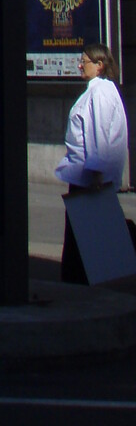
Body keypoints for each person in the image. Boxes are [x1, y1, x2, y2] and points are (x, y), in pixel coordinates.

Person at [56, 42, 129, 283]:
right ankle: (78, 278)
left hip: (87, 176)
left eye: (84, 61)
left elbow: (98, 133)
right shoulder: (101, 91)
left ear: (99, 65)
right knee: (85, 232)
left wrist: (96, 173)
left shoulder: (99, 93)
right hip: (86, 174)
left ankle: (75, 283)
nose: (79, 65)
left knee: (83, 234)